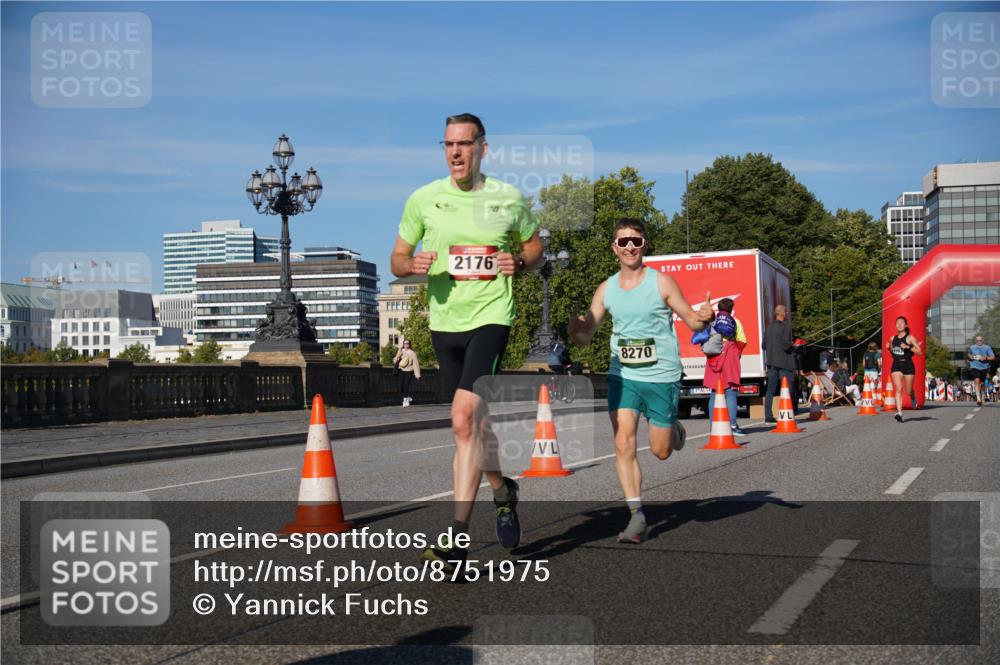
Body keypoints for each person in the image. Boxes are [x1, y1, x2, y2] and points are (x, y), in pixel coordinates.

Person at [390, 113, 544, 570]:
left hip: (492, 318)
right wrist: (411, 265)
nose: (455, 152)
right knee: (476, 428)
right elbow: (397, 258)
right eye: (448, 144)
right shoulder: (423, 199)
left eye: (463, 143)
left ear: (482, 148)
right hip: (445, 323)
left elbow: (535, 248)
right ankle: (502, 489)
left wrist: (520, 260)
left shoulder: (508, 198)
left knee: (462, 421)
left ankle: (456, 538)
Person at [569, 217, 714, 544]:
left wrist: (704, 317)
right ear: (614, 248)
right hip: (624, 376)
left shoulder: (662, 283)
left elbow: (692, 320)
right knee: (623, 443)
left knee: (661, 451)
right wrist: (575, 330)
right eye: (623, 241)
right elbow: (586, 336)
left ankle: (673, 428)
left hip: (661, 375)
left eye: (635, 240)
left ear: (645, 245)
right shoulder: (606, 289)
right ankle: (636, 516)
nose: (630, 247)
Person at [703, 297, 747, 436]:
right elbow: (742, 340)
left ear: (719, 308)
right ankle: (732, 425)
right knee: (731, 391)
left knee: (714, 392)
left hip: (713, 357)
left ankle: (714, 426)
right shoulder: (735, 321)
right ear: (731, 309)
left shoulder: (713, 322)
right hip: (729, 356)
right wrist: (736, 353)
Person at [762, 305, 797, 423]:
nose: (787, 313)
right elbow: (786, 345)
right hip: (784, 363)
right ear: (782, 313)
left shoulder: (769, 328)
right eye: (786, 311)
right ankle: (788, 413)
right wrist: (793, 345)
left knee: (770, 391)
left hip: (771, 363)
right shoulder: (786, 327)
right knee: (787, 389)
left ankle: (768, 416)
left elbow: (763, 345)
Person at [886, 315, 922, 422]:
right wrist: (889, 348)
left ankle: (913, 398)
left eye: (901, 323)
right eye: (897, 323)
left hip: (908, 365)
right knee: (898, 388)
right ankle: (899, 413)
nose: (899, 324)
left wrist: (907, 347)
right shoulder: (893, 338)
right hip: (896, 364)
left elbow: (919, 351)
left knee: (908, 390)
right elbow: (893, 353)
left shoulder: (910, 338)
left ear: (905, 325)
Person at [967, 335, 996, 407]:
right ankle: (978, 399)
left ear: (982, 340)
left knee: (982, 383)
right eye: (977, 341)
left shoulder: (987, 347)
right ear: (975, 341)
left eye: (980, 340)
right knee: (976, 381)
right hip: (974, 366)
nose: (979, 342)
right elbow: (969, 354)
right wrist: (970, 357)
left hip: (984, 367)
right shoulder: (972, 347)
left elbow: (993, 357)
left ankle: (983, 394)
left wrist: (985, 358)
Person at [393, 339, 421, 407]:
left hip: (409, 370)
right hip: (401, 370)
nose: (406, 345)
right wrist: (398, 354)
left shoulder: (412, 353)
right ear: (403, 344)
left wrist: (417, 375)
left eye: (407, 343)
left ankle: (405, 400)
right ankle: (407, 396)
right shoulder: (401, 351)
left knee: (406, 385)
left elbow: (416, 364)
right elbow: (394, 361)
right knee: (400, 386)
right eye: (404, 343)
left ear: (409, 344)